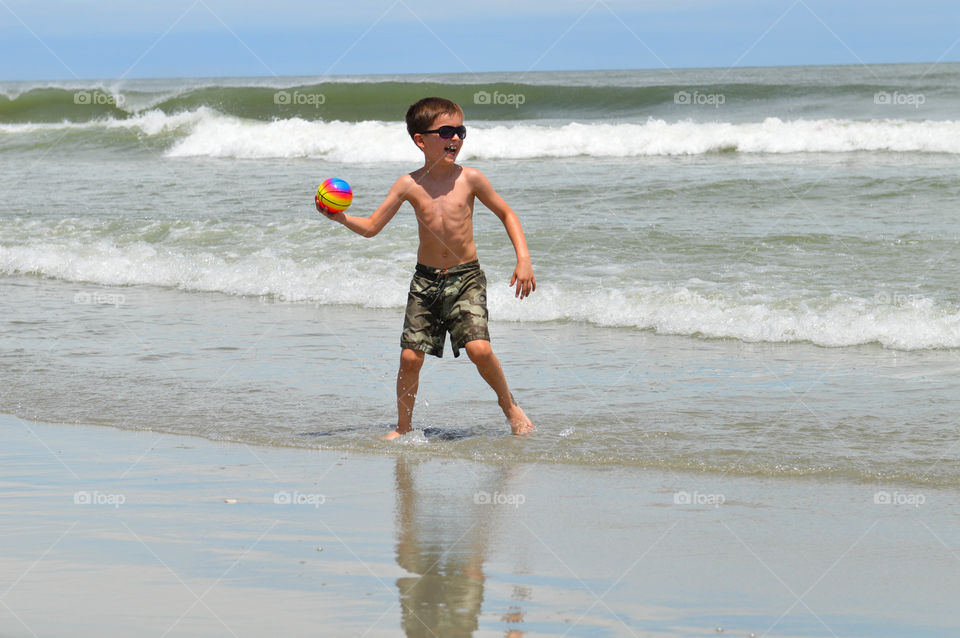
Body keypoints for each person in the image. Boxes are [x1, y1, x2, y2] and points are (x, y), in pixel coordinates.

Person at [316, 97, 535, 439]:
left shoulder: (471, 178)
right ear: (421, 140)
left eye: (461, 131)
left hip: (467, 278)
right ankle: (404, 428)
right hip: (426, 281)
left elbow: (508, 214)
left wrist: (523, 259)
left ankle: (509, 406)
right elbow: (373, 227)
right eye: (447, 131)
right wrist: (342, 218)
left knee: (479, 349)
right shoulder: (409, 184)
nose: (457, 138)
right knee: (410, 357)